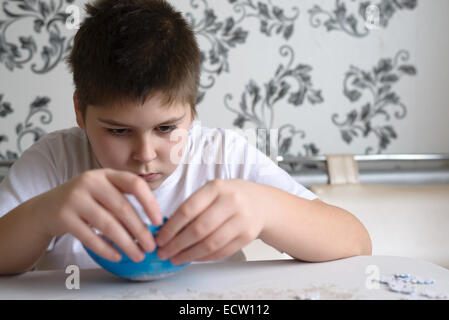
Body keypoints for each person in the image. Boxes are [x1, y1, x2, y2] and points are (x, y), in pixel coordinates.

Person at [0, 0, 371, 275]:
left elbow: (356, 243)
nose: (145, 155)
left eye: (166, 128)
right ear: (80, 111)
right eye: (118, 131)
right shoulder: (53, 161)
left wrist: (267, 209)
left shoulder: (225, 156)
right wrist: (43, 214)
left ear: (192, 112)